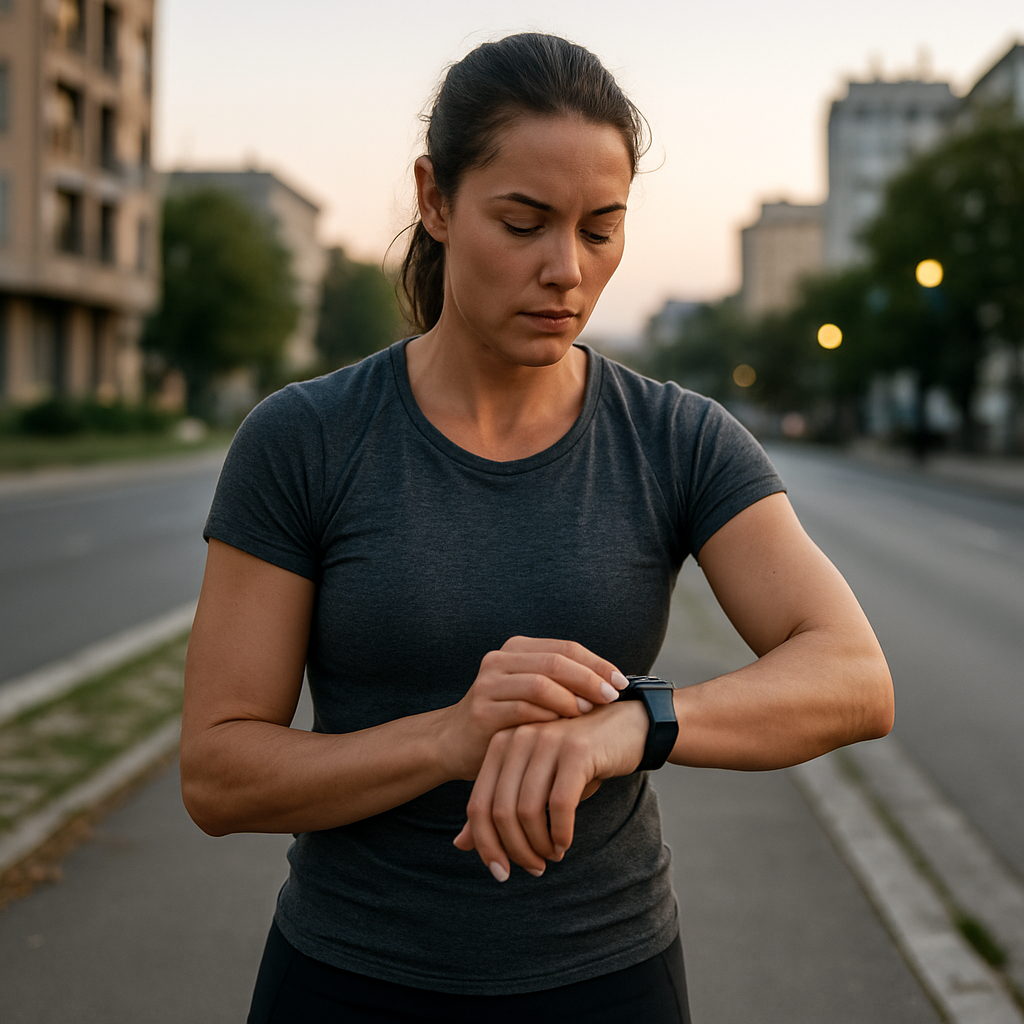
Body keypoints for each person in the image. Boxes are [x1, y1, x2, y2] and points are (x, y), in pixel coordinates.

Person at [180, 32, 894, 1024]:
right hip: (348, 977)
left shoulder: (675, 437)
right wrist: (444, 739)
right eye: (523, 222)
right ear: (434, 199)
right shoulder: (305, 439)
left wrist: (627, 726)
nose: (565, 268)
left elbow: (853, 677)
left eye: (601, 229)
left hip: (607, 980)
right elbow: (218, 773)